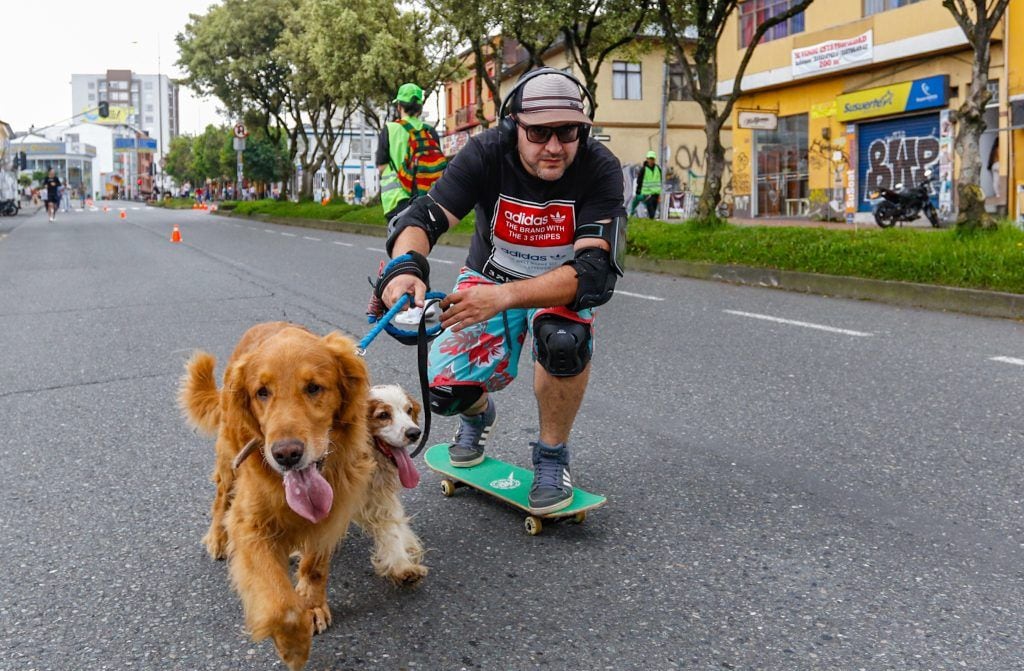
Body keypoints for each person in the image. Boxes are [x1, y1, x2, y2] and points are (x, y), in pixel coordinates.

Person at [376, 68, 625, 514]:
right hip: (488, 277)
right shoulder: (486, 153)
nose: (554, 146)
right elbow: (423, 218)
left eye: (567, 132)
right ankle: (477, 414)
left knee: (563, 341)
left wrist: (506, 297)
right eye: (539, 132)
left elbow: (592, 272)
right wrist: (403, 269)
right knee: (442, 393)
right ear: (514, 127)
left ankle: (552, 457)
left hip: (558, 287)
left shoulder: (599, 167)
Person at [375, 82, 444, 224]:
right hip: (425, 200)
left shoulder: (390, 129)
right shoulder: (429, 132)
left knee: (399, 243)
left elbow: (381, 166)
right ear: (419, 108)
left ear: (399, 106)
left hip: (396, 200)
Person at [635, 150, 662, 219]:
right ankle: (651, 224)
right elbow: (639, 181)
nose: (651, 160)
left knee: (653, 211)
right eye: (650, 158)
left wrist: (660, 193)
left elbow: (661, 180)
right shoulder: (644, 169)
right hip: (647, 194)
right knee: (652, 212)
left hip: (656, 194)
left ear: (654, 159)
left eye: (652, 159)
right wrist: (638, 191)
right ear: (647, 159)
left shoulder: (658, 169)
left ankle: (651, 225)